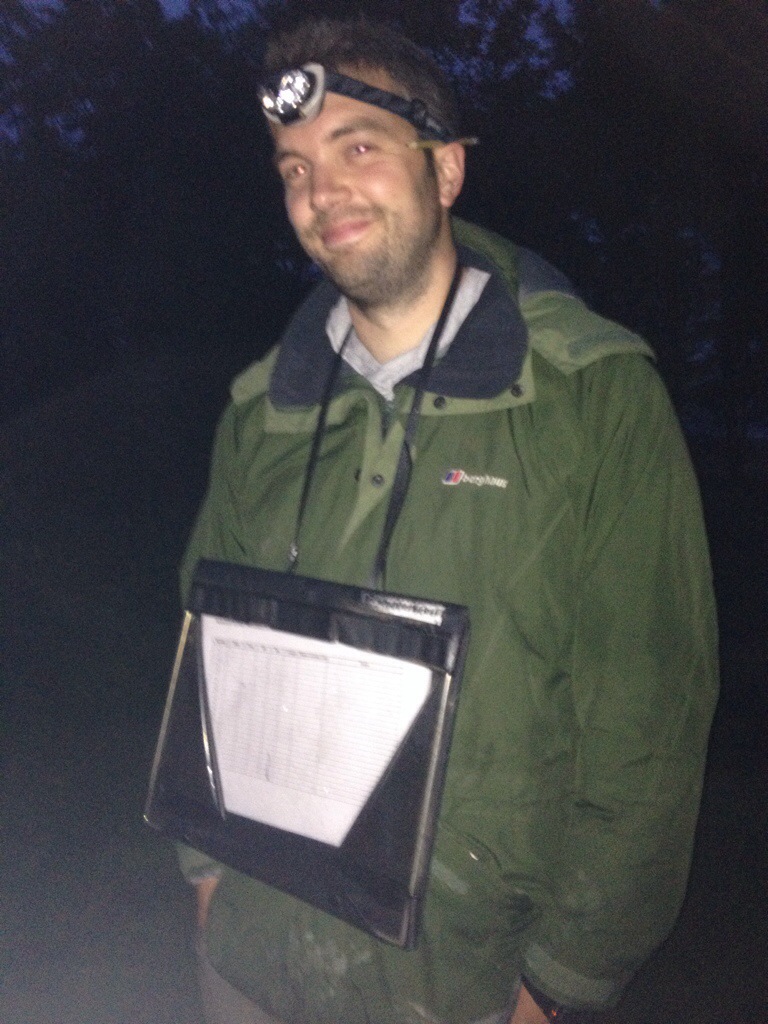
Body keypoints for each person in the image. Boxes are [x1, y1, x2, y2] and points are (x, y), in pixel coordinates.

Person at [176, 16, 718, 1024]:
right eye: (294, 169)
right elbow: (202, 648)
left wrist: (560, 978)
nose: (321, 192)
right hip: (255, 955)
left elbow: (648, 722)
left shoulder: (590, 397)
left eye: (357, 150)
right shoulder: (264, 409)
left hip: (460, 982)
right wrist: (204, 870)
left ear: (447, 169)